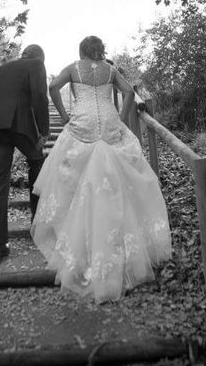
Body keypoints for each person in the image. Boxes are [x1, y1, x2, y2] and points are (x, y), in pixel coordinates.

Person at [31, 36, 172, 303]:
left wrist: (62, 113)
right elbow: (129, 92)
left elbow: (52, 87)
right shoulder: (110, 70)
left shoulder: (73, 68)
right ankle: (120, 247)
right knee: (116, 182)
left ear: (81, 50)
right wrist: (121, 117)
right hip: (109, 124)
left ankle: (78, 243)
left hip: (82, 124)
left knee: (70, 179)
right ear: (100, 51)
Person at [0, 44, 49, 262]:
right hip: (21, 126)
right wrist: (43, 131)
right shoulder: (36, 64)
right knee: (37, 162)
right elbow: (39, 97)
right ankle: (37, 223)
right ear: (40, 58)